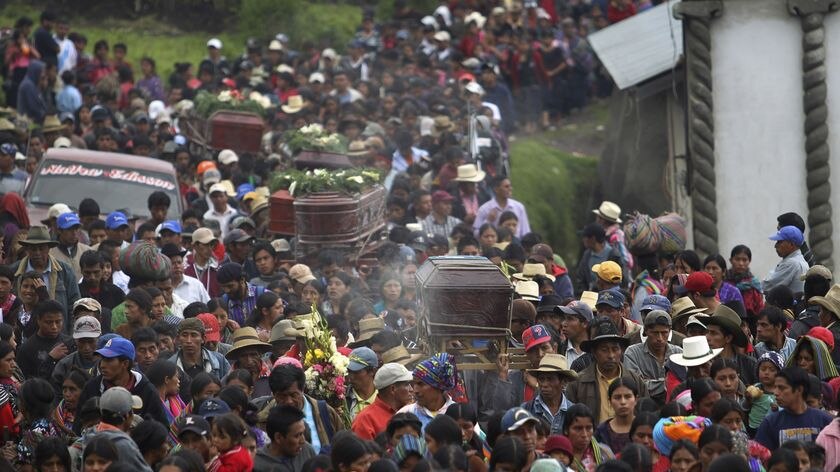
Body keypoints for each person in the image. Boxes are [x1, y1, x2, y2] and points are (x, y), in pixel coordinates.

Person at [565, 317, 648, 424]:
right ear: (594, 352)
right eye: (604, 350)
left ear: (621, 351)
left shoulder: (635, 381)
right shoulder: (578, 383)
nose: (611, 355)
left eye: (615, 349)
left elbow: (645, 416)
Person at [76, 336, 168, 425]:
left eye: (108, 360)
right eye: (102, 359)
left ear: (125, 363)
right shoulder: (92, 388)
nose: (102, 365)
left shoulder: (147, 390)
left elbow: (161, 429)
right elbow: (79, 426)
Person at [12, 225, 81, 328]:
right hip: (22, 331)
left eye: (41, 248)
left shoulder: (64, 271)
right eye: (33, 249)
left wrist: (70, 336)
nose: (37, 253)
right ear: (27, 249)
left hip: (56, 332)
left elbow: (75, 305)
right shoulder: (15, 271)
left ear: (49, 249)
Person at [755, 366, 833, 450]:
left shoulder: (824, 421)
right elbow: (759, 459)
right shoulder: (770, 423)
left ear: (799, 390)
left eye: (781, 388)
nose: (775, 393)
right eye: (775, 387)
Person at [622, 310, 683, 403]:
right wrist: (668, 384)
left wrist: (649, 383)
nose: (660, 338)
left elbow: (684, 385)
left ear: (670, 332)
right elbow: (635, 386)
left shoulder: (678, 352)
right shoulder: (632, 353)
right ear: (646, 331)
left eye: (664, 333)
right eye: (655, 333)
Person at [520, 353, 577, 435]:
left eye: (550, 379)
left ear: (563, 382)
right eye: (541, 379)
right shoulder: (526, 410)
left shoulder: (573, 412)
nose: (544, 384)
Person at [398, 353, 457, 428]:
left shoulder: (458, 414)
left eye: (421, 384)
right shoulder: (405, 415)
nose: (415, 390)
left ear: (438, 386)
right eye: (414, 384)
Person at [704, 304, 758, 385]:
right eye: (707, 332)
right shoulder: (704, 365)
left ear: (728, 338)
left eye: (713, 333)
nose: (707, 337)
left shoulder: (749, 364)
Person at [17, 299, 72, 379]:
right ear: (38, 320)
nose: (54, 327)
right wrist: (50, 359)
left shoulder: (69, 342)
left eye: (58, 322)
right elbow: (25, 382)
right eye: (49, 322)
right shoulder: (27, 348)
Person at [255, 405, 316, 471]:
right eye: (297, 435)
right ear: (278, 437)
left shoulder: (307, 450)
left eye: (303, 433)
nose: (303, 441)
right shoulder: (257, 464)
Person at [168, 317, 230, 381]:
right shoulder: (170, 365)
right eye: (184, 335)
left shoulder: (219, 360)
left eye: (194, 335)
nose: (189, 341)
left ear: (203, 339)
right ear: (178, 339)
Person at [563, 403, 614, 471]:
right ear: (566, 430)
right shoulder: (559, 456)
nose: (584, 434)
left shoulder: (605, 453)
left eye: (589, 428)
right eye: (578, 428)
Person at [594, 377, 639, 455]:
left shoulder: (645, 427)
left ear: (636, 399)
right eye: (617, 397)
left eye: (627, 396)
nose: (623, 402)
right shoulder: (601, 432)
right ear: (610, 401)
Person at [147, 359, 186, 445]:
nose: (179, 381)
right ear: (167, 379)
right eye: (176, 377)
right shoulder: (151, 405)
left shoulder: (175, 400)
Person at [764, 226, 809, 294]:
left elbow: (767, 286)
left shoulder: (791, 263)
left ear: (791, 244)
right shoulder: (800, 260)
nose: (775, 246)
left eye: (779, 242)